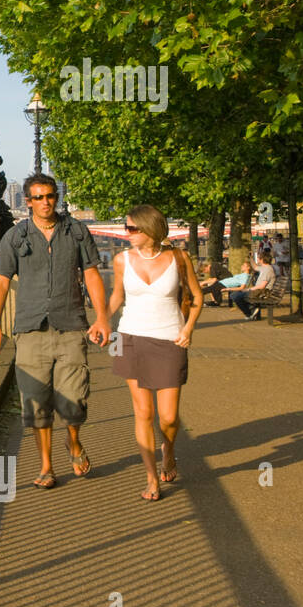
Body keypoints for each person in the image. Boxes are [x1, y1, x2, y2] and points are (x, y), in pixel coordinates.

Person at [0, 173, 110, 490]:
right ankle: (46, 466)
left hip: (70, 325)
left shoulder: (77, 232)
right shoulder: (15, 237)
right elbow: (0, 282)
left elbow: (93, 274)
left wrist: (103, 318)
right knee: (35, 402)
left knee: (73, 401)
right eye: (39, 197)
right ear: (28, 202)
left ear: (57, 198)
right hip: (30, 329)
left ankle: (74, 441)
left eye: (50, 196)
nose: (46, 202)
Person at [108, 206, 203, 501]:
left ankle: (169, 451)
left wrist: (188, 330)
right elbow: (116, 297)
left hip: (169, 339)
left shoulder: (178, 258)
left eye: (132, 229)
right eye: (126, 228)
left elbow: (197, 298)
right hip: (129, 337)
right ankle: (151, 478)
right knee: (143, 412)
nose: (127, 234)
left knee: (169, 417)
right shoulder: (121, 260)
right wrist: (100, 321)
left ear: (151, 230)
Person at [231, 250, 276, 320]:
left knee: (235, 296)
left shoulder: (267, 270)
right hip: (259, 291)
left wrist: (249, 289)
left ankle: (249, 313)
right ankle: (252, 311)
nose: (257, 259)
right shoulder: (264, 268)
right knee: (234, 295)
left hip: (262, 292)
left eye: (258, 258)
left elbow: (262, 286)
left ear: (262, 260)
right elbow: (255, 267)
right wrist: (251, 257)